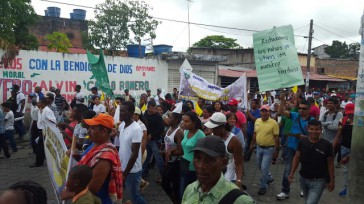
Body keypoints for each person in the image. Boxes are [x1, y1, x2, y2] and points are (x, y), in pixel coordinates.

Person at [62, 113, 123, 204]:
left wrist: (70, 194)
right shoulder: (96, 143)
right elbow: (90, 161)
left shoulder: (105, 157)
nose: (88, 131)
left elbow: (91, 189)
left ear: (104, 131)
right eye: (89, 127)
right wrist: (78, 156)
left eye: (93, 128)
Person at [182, 136, 255, 204]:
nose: (201, 166)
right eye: (197, 158)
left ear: (223, 163)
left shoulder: (239, 200)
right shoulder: (189, 189)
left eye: (209, 160)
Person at [288, 120, 335, 204]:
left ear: (321, 130)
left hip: (318, 181)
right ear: (308, 129)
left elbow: (330, 163)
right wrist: (291, 173)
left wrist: (332, 180)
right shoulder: (302, 142)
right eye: (311, 129)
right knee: (307, 201)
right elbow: (297, 157)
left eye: (317, 129)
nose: (314, 131)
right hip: (303, 179)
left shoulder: (327, 145)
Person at [276, 95, 313, 200]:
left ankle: (304, 189)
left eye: (304, 108)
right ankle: (285, 191)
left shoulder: (312, 121)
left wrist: (304, 137)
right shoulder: (294, 115)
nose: (301, 110)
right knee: (287, 170)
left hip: (305, 149)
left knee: (304, 170)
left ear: (309, 109)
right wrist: (282, 100)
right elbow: (281, 112)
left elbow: (315, 136)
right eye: (300, 108)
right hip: (291, 147)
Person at [116, 101, 147, 204]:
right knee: (132, 195)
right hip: (123, 166)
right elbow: (123, 139)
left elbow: (134, 154)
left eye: (123, 111)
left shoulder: (136, 129)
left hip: (132, 171)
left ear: (131, 113)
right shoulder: (122, 125)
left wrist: (125, 174)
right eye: (120, 110)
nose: (120, 113)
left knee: (135, 197)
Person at [204, 112, 244, 189]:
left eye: (215, 128)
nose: (212, 130)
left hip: (228, 178)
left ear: (223, 126)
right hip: (213, 176)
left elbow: (239, 163)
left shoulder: (233, 141)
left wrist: (238, 181)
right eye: (212, 128)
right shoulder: (212, 136)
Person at [249, 105, 279, 195]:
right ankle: (269, 177)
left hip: (269, 149)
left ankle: (263, 186)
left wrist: (276, 151)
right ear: (260, 112)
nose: (264, 113)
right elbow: (255, 133)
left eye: (266, 111)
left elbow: (276, 138)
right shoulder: (257, 121)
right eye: (262, 111)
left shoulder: (273, 123)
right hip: (259, 148)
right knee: (259, 166)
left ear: (269, 112)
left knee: (264, 167)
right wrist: (251, 144)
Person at [179, 111, 205, 199]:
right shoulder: (186, 132)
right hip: (184, 166)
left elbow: (203, 154)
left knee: (192, 194)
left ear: (194, 122)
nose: (184, 123)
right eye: (183, 121)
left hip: (194, 169)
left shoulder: (200, 134)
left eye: (187, 121)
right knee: (183, 193)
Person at [162, 112, 184, 203]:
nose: (167, 119)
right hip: (168, 162)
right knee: (165, 184)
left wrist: (170, 153)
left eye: (170, 118)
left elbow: (181, 151)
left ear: (176, 120)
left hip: (175, 163)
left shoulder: (179, 132)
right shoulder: (169, 129)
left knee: (175, 186)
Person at [333, 103, 354, 197]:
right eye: (349, 113)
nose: (351, 115)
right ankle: (346, 188)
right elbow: (338, 134)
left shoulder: (360, 121)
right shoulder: (343, 120)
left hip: (357, 148)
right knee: (346, 170)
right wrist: (333, 146)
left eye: (352, 113)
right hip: (345, 147)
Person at [142, 100, 165, 178]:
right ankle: (143, 173)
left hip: (155, 140)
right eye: (152, 108)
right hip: (147, 140)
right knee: (145, 158)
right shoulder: (145, 113)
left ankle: (163, 176)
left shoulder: (158, 116)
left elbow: (161, 128)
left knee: (158, 159)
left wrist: (152, 134)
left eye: (155, 108)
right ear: (148, 108)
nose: (154, 110)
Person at [32, 98, 56, 168]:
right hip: (40, 130)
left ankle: (39, 162)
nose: (37, 104)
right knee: (41, 147)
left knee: (40, 147)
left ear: (43, 104)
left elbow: (53, 120)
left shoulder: (47, 111)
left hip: (45, 131)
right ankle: (42, 161)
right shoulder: (40, 110)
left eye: (39, 103)